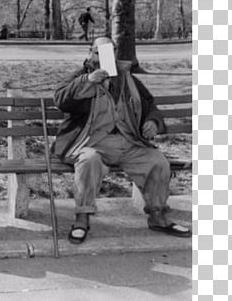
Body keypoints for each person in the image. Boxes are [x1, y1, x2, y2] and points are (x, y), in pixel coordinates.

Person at [51, 36, 191, 245]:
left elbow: (148, 103)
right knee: (89, 161)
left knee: (158, 161)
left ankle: (157, 216)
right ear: (90, 52)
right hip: (91, 143)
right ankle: (82, 217)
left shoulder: (127, 78)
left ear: (115, 53)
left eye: (109, 52)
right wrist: (87, 81)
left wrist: (152, 121)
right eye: (99, 52)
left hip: (127, 141)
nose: (103, 57)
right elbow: (60, 100)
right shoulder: (80, 76)